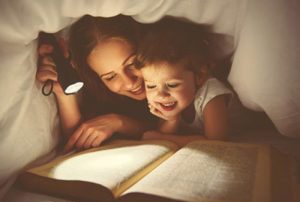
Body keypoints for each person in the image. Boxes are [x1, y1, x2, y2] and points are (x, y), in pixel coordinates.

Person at [37, 15, 156, 152]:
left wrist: (120, 123)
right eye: (110, 77)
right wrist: (63, 91)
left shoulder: (176, 68)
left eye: (132, 64)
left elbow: (176, 129)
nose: (129, 83)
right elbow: (79, 140)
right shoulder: (103, 97)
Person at [136, 17, 247, 147]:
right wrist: (172, 119)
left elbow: (217, 142)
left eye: (172, 85)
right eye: (151, 86)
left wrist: (162, 137)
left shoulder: (211, 94)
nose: (161, 95)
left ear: (199, 76)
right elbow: (163, 132)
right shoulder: (169, 101)